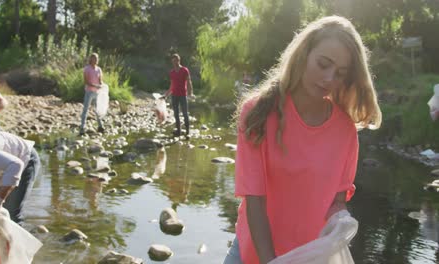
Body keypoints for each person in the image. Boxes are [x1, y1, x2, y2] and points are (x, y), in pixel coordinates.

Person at [223, 16, 382, 264]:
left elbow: (336, 202)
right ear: (303, 54)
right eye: (323, 64)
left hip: (309, 258)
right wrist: (270, 261)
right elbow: (254, 200)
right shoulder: (257, 112)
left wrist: (342, 221)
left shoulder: (345, 130)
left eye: (340, 73)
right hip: (251, 254)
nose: (329, 78)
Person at [162, 53, 195, 139]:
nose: (174, 63)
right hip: (174, 95)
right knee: (176, 114)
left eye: (176, 61)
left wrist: (190, 92)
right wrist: (165, 95)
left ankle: (188, 131)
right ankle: (178, 131)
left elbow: (189, 81)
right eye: (173, 61)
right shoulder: (172, 72)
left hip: (183, 95)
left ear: (179, 60)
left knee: (185, 113)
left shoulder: (185, 70)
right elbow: (172, 85)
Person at [79, 52, 105, 136]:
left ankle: (100, 126)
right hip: (89, 92)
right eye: (94, 58)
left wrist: (102, 85)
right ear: (91, 59)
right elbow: (86, 82)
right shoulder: (87, 69)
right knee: (85, 109)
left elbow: (100, 80)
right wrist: (95, 85)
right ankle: (82, 127)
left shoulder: (99, 69)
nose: (96, 60)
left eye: (97, 58)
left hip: (97, 92)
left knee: (98, 110)